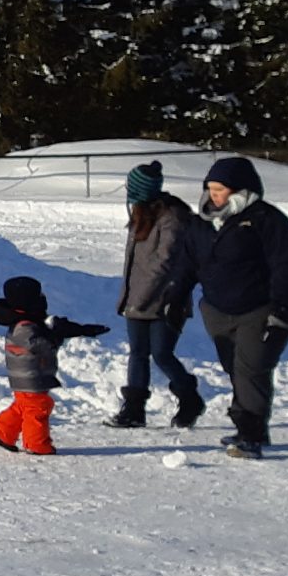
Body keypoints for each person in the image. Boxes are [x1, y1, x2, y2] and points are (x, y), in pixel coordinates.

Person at [159, 156, 288, 459]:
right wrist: (176, 296)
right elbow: (187, 262)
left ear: (240, 190)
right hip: (217, 309)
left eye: (220, 189)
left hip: (258, 308)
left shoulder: (266, 220)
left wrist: (283, 309)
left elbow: (285, 266)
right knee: (235, 368)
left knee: (251, 369)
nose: (214, 195)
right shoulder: (202, 222)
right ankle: (250, 424)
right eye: (210, 188)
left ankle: (251, 434)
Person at [107, 161, 202, 429]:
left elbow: (165, 262)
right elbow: (134, 262)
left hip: (167, 301)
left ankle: (189, 397)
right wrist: (128, 297)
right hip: (137, 299)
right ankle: (134, 409)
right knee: (137, 353)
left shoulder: (173, 217)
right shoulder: (140, 214)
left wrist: (141, 297)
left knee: (161, 353)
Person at [0, 275, 108, 455]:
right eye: (39, 295)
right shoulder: (24, 327)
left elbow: (49, 329)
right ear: (28, 300)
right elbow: (41, 344)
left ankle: (1, 432)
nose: (43, 298)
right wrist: (56, 336)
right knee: (38, 408)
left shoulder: (28, 321)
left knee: (24, 406)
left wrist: (80, 330)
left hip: (29, 377)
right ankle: (36, 444)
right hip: (29, 378)